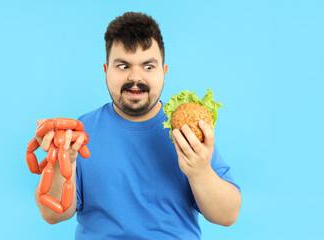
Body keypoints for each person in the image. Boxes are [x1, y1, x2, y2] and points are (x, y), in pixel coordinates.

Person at [34, 11, 242, 239]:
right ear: (106, 72)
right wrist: (63, 163)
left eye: (148, 66)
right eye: (123, 66)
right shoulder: (79, 132)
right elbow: (53, 215)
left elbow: (227, 216)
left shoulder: (189, 133)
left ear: (164, 73)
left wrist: (200, 171)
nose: (135, 77)